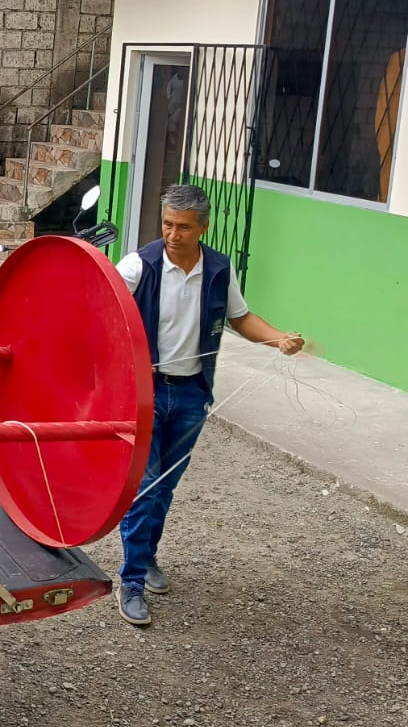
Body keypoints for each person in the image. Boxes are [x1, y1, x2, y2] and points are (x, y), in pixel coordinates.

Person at [113, 183, 303, 628]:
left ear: (204, 227)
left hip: (193, 392)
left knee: (166, 486)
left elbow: (241, 318)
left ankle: (147, 556)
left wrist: (278, 338)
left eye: (183, 227)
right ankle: (132, 581)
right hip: (144, 393)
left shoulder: (218, 268)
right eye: (167, 224)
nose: (172, 235)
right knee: (145, 486)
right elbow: (101, 309)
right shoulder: (138, 266)